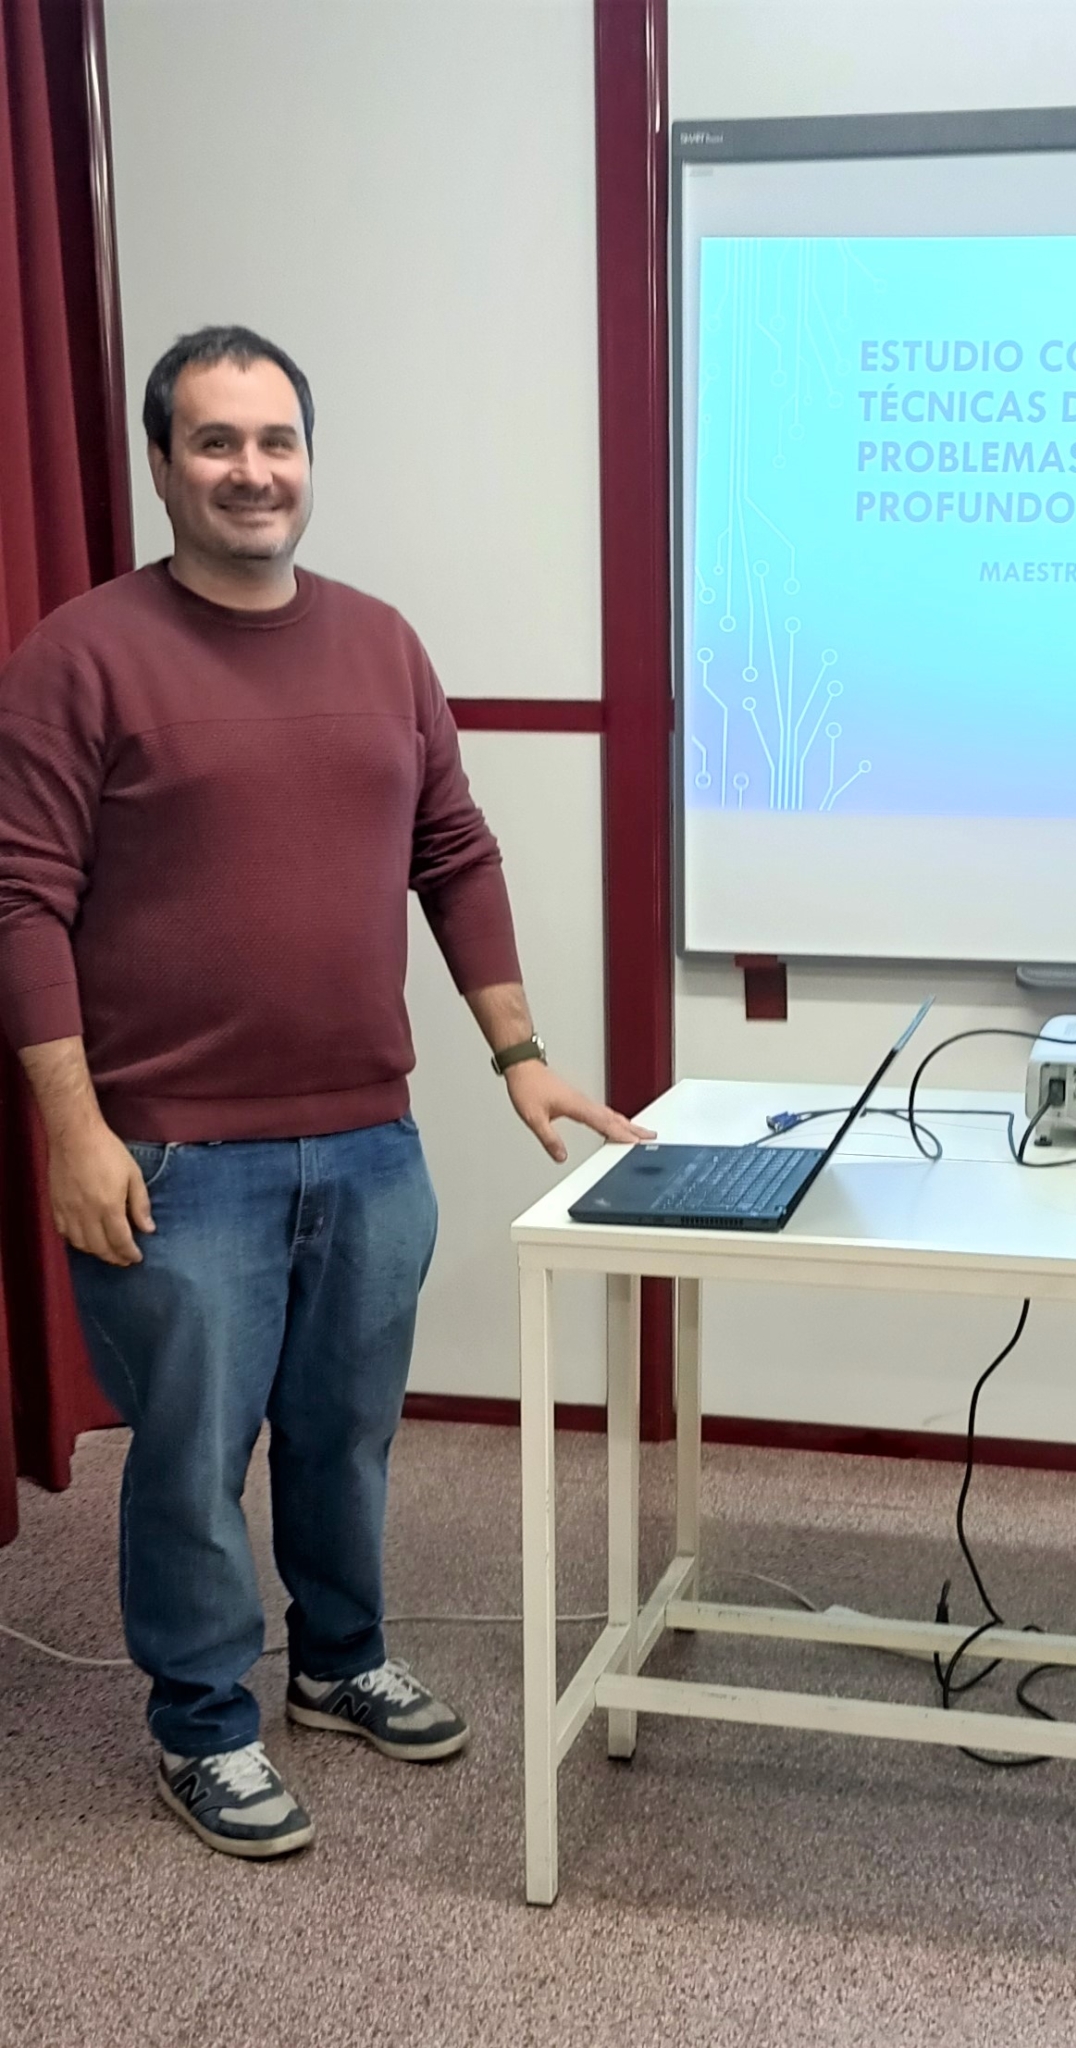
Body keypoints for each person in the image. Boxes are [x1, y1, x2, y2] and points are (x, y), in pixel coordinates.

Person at [0, 325, 650, 1859]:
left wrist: (518, 1052)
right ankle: (203, 1722)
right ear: (163, 464)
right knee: (190, 1459)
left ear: (309, 458)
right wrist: (73, 1131)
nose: (252, 471)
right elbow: (21, 900)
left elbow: (454, 853)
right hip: (171, 1154)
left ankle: (340, 1662)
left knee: (345, 1432)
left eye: (276, 440)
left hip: (369, 1139)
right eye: (216, 442)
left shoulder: (381, 645)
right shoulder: (80, 657)